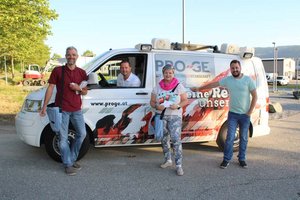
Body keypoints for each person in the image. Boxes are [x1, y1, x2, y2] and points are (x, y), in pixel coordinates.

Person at [192, 60, 257, 169]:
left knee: (243, 138)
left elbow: (255, 96)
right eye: (233, 68)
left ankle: (242, 159)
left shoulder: (248, 80)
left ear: (240, 68)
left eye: (236, 67)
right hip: (233, 114)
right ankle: (226, 159)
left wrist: (249, 112)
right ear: (230, 69)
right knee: (230, 137)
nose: (235, 70)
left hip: (245, 115)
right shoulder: (228, 80)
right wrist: (199, 88)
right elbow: (214, 84)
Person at [40, 46, 88, 176]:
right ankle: (68, 164)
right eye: (69, 54)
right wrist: (44, 106)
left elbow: (85, 91)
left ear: (77, 56)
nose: (71, 56)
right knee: (62, 138)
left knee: (82, 134)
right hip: (61, 110)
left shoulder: (82, 73)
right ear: (66, 56)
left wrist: (78, 88)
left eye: (73, 54)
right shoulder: (58, 70)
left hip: (77, 109)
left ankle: (71, 159)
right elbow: (50, 88)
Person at [150, 64, 188, 176]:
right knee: (164, 140)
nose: (168, 74)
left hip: (175, 116)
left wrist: (178, 106)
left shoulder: (179, 86)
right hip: (161, 117)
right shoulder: (157, 87)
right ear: (163, 74)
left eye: (170, 73)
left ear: (173, 74)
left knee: (176, 140)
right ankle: (168, 160)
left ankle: (179, 165)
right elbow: (152, 102)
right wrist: (156, 106)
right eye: (166, 72)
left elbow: (185, 100)